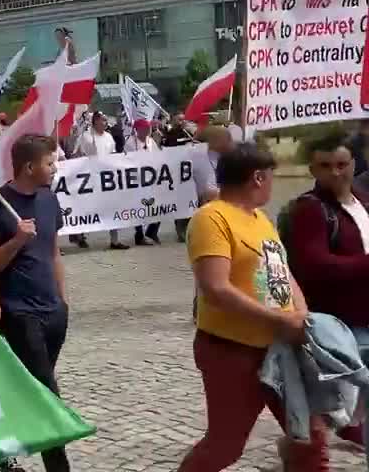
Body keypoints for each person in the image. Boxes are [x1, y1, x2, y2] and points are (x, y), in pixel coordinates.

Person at [178, 143, 326, 471]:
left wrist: (302, 316)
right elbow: (216, 288)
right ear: (258, 178)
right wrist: (279, 318)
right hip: (232, 351)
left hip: (282, 346)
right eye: (271, 177)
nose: (272, 184)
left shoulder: (260, 219)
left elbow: (282, 274)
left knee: (310, 437)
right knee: (225, 445)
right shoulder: (211, 218)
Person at [0, 135, 72, 472]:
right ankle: (58, 466)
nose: (54, 167)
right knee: (47, 392)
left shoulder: (50, 200)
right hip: (19, 312)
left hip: (53, 311)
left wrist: (62, 300)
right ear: (30, 166)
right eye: (50, 162)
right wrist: (18, 239)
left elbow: (53, 251)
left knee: (32, 386)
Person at [285, 132, 369, 450]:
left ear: (354, 164)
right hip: (340, 322)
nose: (335, 172)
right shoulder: (310, 208)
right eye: (325, 166)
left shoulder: (362, 201)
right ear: (313, 169)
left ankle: (350, 424)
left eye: (342, 164)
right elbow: (314, 264)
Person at [74, 111, 128, 251]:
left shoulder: (109, 136)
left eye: (106, 120)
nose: (105, 123)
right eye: (103, 120)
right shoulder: (86, 137)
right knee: (86, 208)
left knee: (112, 207)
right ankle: (80, 235)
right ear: (95, 121)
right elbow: (79, 155)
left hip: (107, 178)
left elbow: (113, 154)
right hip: (90, 178)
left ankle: (114, 240)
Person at [125, 118, 162, 246]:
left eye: (148, 128)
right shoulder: (130, 143)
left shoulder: (151, 141)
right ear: (138, 130)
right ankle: (139, 234)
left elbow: (158, 156)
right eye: (145, 128)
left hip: (151, 179)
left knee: (158, 205)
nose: (147, 130)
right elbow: (128, 160)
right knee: (139, 207)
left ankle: (152, 232)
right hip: (138, 179)